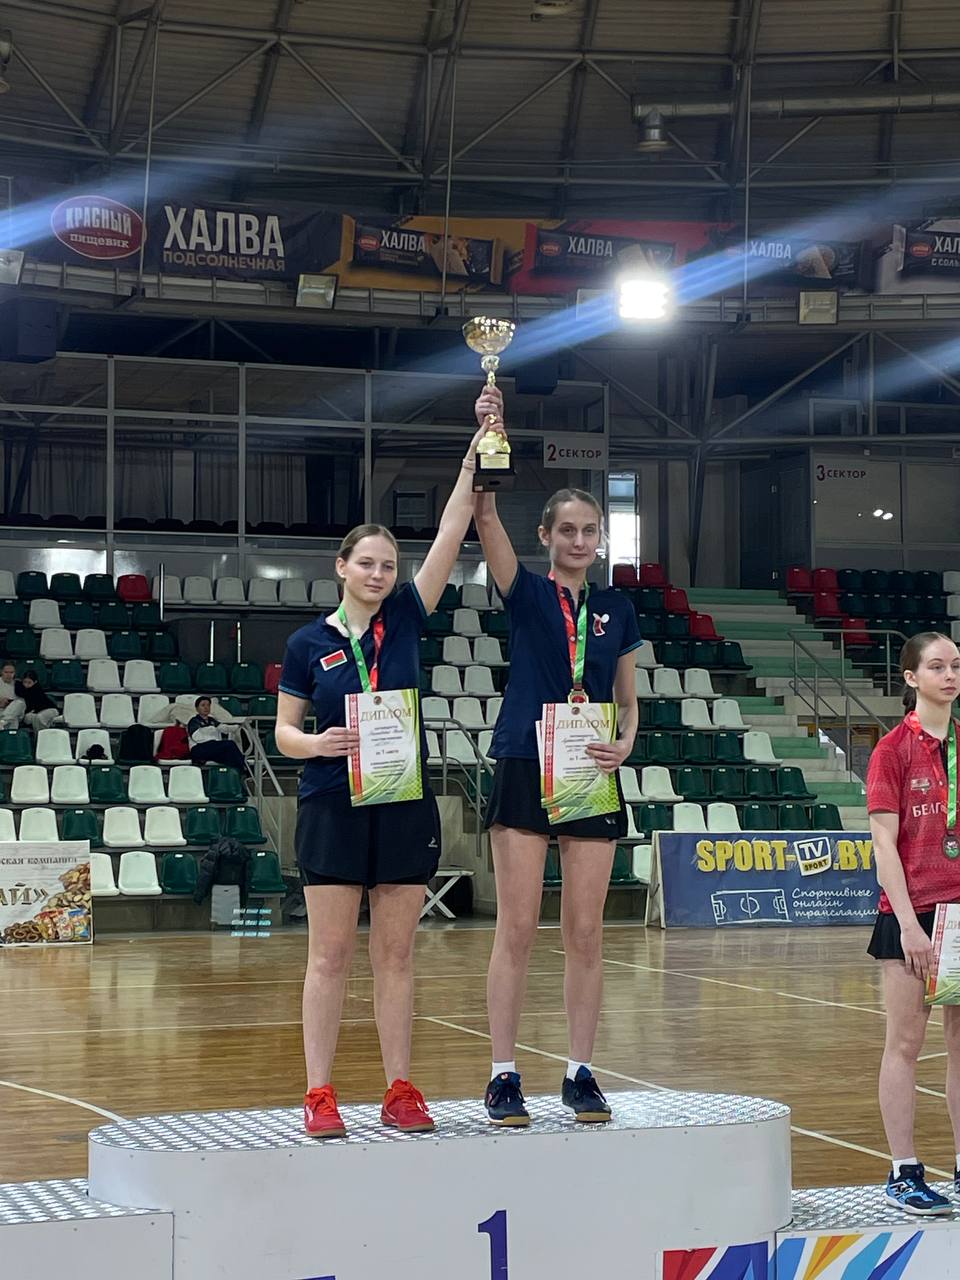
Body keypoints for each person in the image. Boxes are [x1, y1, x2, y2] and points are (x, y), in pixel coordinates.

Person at [276, 408, 497, 1139]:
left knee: (397, 955)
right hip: (331, 803)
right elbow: (282, 733)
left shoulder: (405, 617)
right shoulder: (307, 643)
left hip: (402, 803)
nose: (378, 574)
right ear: (340, 567)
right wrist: (318, 743)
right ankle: (319, 1093)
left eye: (387, 566)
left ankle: (401, 1089)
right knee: (330, 955)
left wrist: (474, 454)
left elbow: (452, 530)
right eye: (366, 563)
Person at [471, 383, 642, 1128]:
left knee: (585, 933)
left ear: (600, 538)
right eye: (567, 529)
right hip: (524, 759)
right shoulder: (527, 593)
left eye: (589, 531)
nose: (578, 540)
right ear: (545, 535)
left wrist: (625, 744)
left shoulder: (618, 609)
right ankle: (503, 1073)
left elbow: (628, 700)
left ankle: (579, 1071)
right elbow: (482, 515)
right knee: (516, 928)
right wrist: (489, 436)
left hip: (589, 770)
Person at [868, 631, 960, 1215]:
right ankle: (904, 1170)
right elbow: (884, 844)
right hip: (913, 912)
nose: (950, 676)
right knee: (905, 1043)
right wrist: (908, 925)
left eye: (956, 666)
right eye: (937, 666)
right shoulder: (892, 750)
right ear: (910, 677)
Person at [187, 696, 247, 772]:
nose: (206, 707)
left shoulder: (212, 720)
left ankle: (240, 772)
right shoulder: (194, 721)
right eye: (203, 705)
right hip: (199, 748)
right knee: (230, 744)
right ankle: (245, 770)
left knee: (230, 757)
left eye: (208, 705)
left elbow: (223, 728)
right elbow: (197, 737)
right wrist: (212, 729)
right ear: (197, 708)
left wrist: (237, 727)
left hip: (212, 747)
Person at [0, 661, 26, 729]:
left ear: (15, 673)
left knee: (19, 703)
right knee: (14, 719)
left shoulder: (18, 684)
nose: (9, 675)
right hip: (2, 711)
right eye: (6, 672)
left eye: (11, 672)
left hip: (16, 711)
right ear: (1, 672)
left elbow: (22, 704)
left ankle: (2, 722)